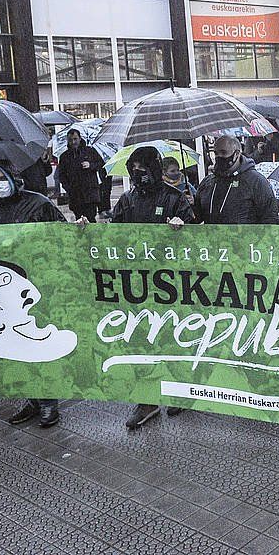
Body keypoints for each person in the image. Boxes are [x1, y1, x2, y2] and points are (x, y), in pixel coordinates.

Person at [105, 146, 195, 429]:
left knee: (173, 336)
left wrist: (184, 226)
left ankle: (182, 391)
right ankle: (147, 399)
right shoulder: (127, 200)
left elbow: (199, 242)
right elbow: (111, 234)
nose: (138, 176)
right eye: (133, 172)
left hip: (170, 284)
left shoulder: (175, 198)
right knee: (141, 340)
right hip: (137, 285)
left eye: (143, 171)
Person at [0, 160, 68, 427]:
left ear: (13, 177)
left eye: (1, 178)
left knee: (38, 343)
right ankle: (33, 399)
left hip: (37, 287)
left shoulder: (38, 204)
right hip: (6, 296)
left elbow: (64, 236)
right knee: (17, 348)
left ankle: (49, 401)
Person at [194, 135, 279, 225]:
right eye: (216, 153)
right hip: (211, 238)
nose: (219, 157)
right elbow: (196, 217)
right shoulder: (208, 182)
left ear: (237, 154)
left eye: (223, 152)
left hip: (246, 239)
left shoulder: (256, 181)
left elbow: (270, 217)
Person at [57, 129, 103, 223]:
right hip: (75, 196)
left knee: (91, 219)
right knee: (79, 221)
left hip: (90, 194)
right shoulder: (65, 156)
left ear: (80, 138)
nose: (73, 142)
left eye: (75, 139)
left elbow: (100, 164)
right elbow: (61, 175)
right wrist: (69, 188)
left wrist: (90, 165)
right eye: (70, 140)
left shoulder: (89, 151)